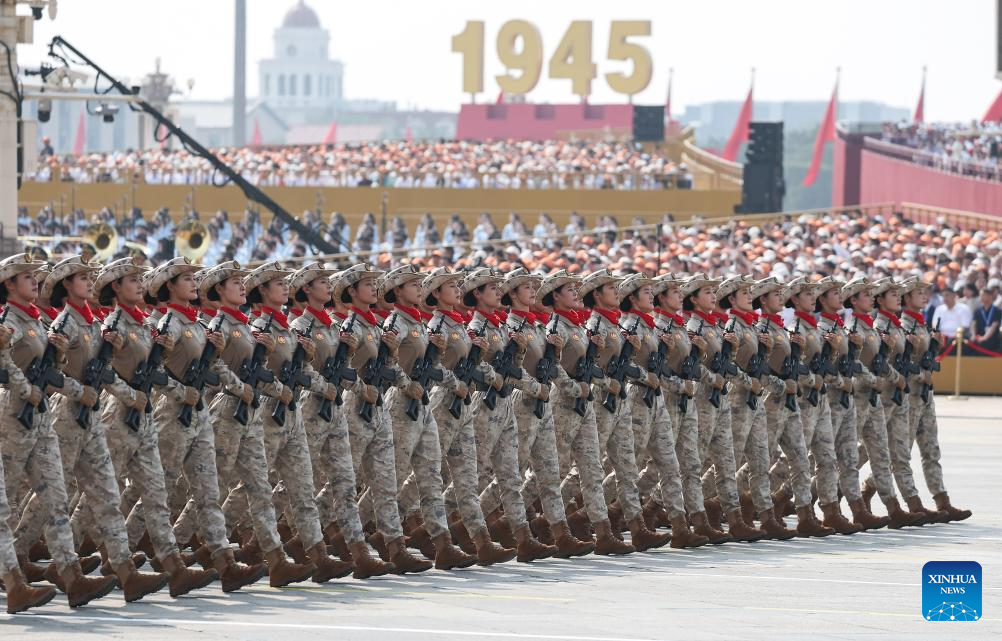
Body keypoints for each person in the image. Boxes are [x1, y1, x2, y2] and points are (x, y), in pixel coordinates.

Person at [14, 256, 170, 602]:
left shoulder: (94, 326)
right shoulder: (63, 324)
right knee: (49, 495)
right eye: (80, 278)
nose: (87, 282)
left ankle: (124, 571)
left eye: (89, 277)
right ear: (66, 285)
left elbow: (106, 370)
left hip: (94, 415)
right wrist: (79, 391)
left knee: (106, 495)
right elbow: (50, 374)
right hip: (67, 415)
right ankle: (18, 556)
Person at [0, 252, 119, 607]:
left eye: (35, 276)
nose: (34, 281)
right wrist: (27, 389)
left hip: (38, 415)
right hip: (13, 415)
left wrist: (60, 357)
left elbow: (50, 367)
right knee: (5, 504)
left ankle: (71, 575)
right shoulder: (9, 322)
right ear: (9, 284)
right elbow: (4, 365)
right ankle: (13, 581)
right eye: (26, 277)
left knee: (55, 495)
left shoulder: (35, 322)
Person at [899, 277, 972, 522]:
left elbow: (923, 359)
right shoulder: (902, 326)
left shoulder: (921, 324)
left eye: (925, 292)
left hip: (925, 396)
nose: (924, 296)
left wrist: (936, 348)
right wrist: (922, 373)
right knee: (900, 453)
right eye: (918, 292)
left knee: (931, 450)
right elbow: (900, 365)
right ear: (906, 297)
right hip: (908, 397)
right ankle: (870, 493)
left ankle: (942, 500)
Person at [969, 285, 1001, 354]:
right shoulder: (977, 311)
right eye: (980, 295)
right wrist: (973, 335)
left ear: (990, 296)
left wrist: (984, 338)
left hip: (991, 339)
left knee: (985, 343)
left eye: (983, 295)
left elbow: (994, 326)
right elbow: (973, 323)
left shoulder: (997, 311)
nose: (981, 297)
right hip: (979, 337)